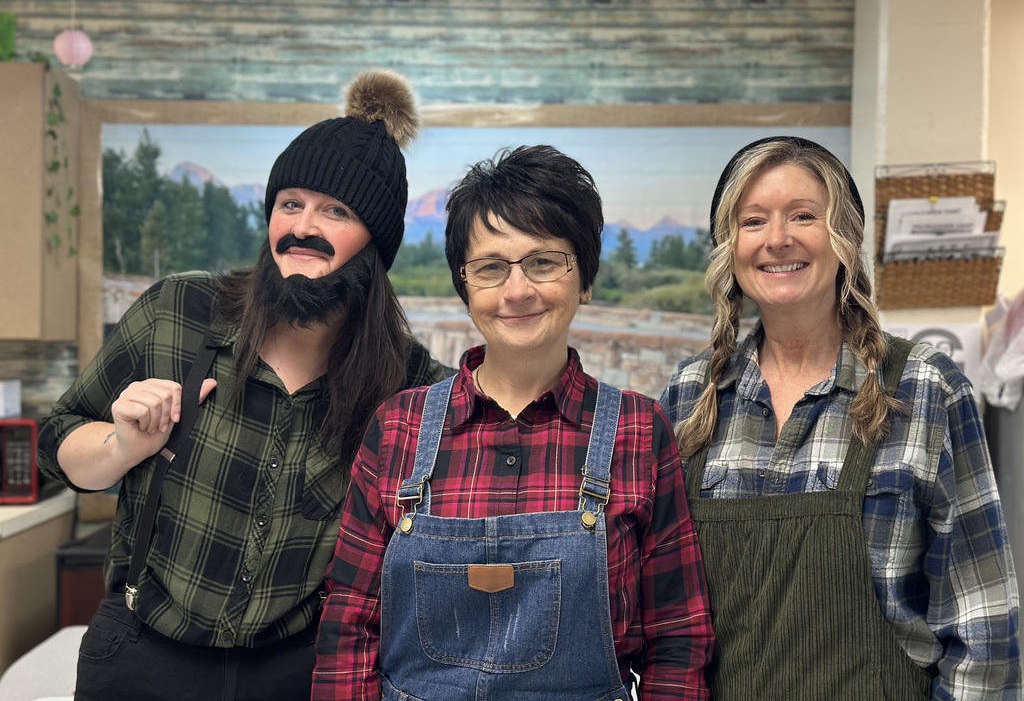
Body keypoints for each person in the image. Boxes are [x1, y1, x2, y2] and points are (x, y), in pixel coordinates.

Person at [37, 70, 450, 701]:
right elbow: (57, 444)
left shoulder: (410, 385)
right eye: (290, 204)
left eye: (335, 211)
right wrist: (121, 448)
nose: (303, 227)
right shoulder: (178, 311)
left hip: (300, 673)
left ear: (377, 244)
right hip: (142, 656)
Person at [311, 145, 714, 700]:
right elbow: (349, 627)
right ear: (466, 287)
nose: (517, 290)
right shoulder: (399, 428)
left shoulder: (639, 431)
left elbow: (678, 641)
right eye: (491, 268)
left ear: (585, 279)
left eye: (544, 262)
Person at [660, 135, 1021, 700]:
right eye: (753, 221)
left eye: (803, 216)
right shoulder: (688, 397)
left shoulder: (923, 388)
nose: (777, 239)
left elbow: (984, 630)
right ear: (730, 248)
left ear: (845, 238)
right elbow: (664, 621)